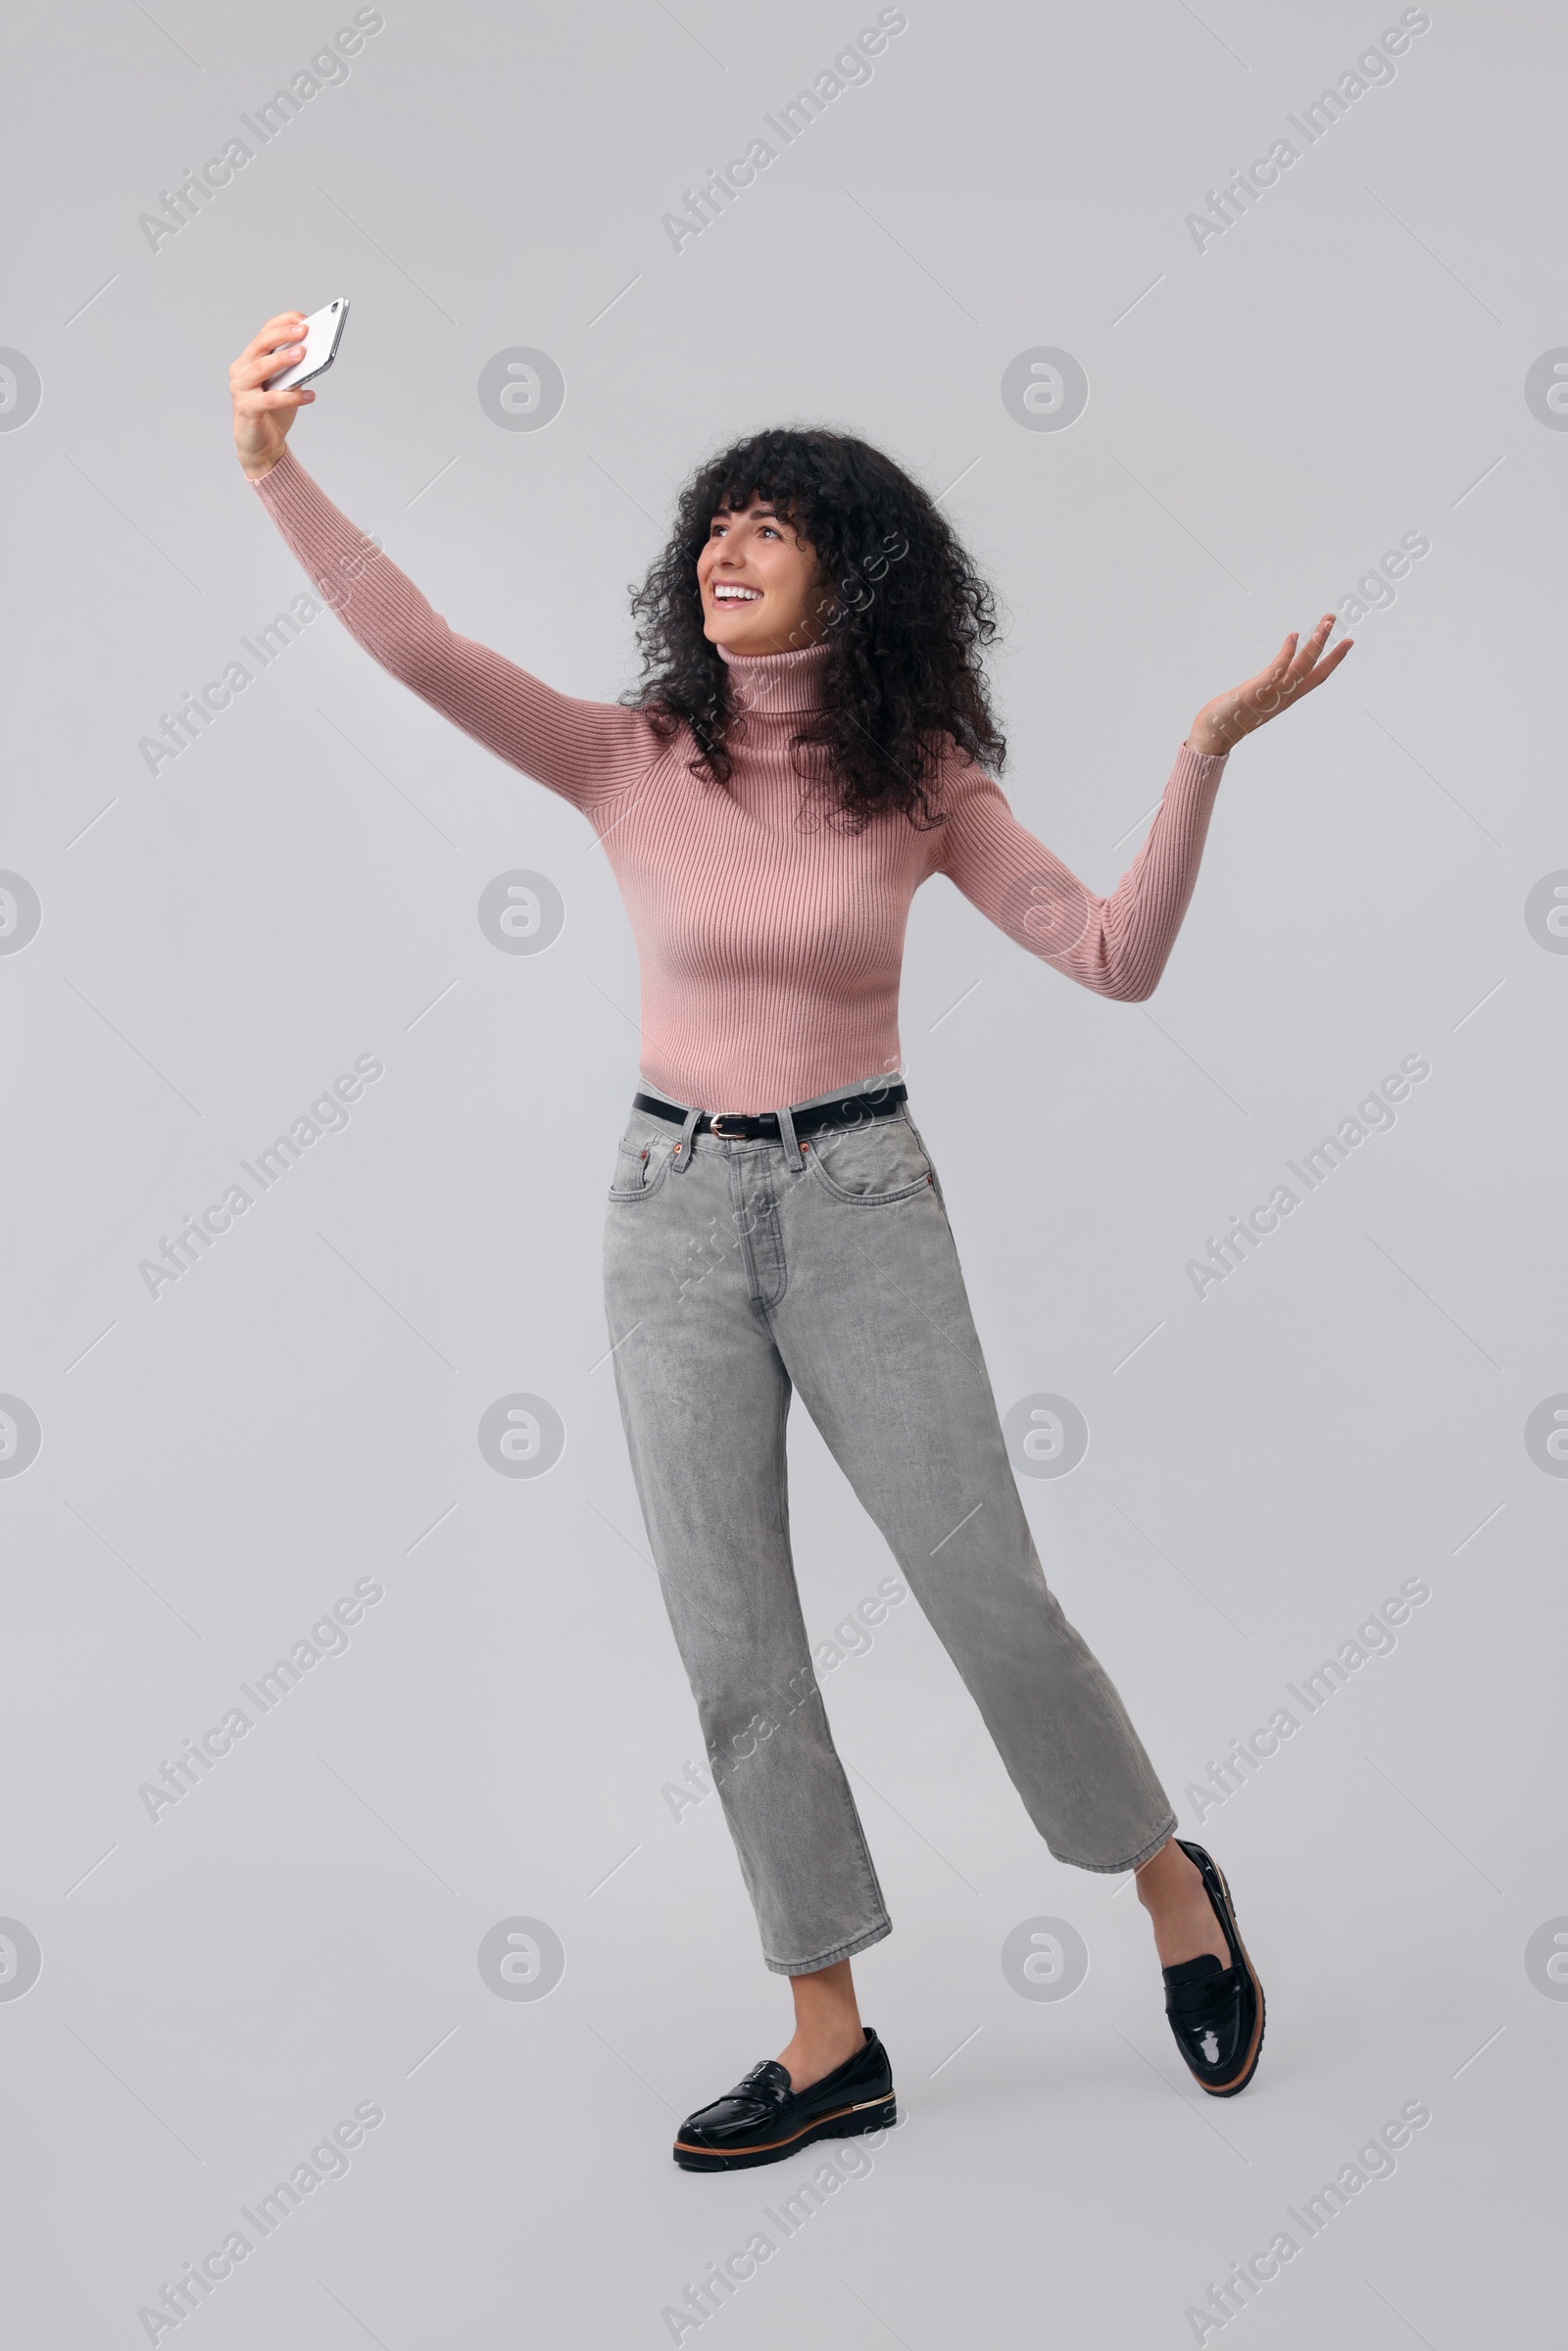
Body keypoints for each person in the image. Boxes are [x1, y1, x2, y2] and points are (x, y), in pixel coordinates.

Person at [230, 312, 1351, 2174]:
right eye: (712, 525)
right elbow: (419, 645)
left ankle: (1167, 1881)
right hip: (667, 1215)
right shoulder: (629, 756)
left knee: (987, 1596)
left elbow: (1112, 957)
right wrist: (276, 469)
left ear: (854, 563)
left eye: (768, 524)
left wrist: (1203, 747)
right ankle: (830, 2034)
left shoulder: (921, 777)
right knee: (731, 1633)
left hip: (859, 1207)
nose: (722, 549)